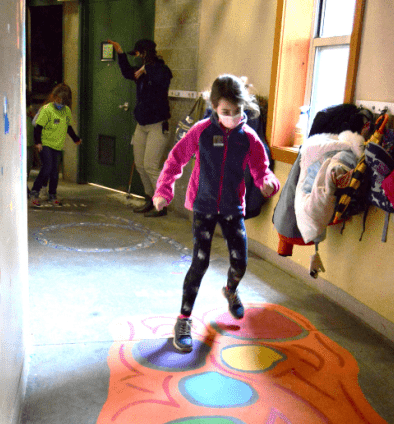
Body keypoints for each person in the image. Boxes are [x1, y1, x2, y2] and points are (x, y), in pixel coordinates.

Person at [151, 74, 280, 352]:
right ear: (213, 107)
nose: (232, 117)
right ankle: (183, 319)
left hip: (233, 207)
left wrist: (267, 182)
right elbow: (176, 160)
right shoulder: (200, 131)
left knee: (240, 262)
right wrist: (164, 190)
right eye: (225, 112)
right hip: (204, 206)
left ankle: (231, 290)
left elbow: (261, 167)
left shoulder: (249, 138)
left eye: (237, 112)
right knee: (200, 262)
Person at [108, 38, 173, 217]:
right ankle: (149, 199)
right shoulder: (142, 72)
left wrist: (147, 68)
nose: (138, 59)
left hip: (157, 125)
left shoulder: (161, 70)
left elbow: (161, 78)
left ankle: (161, 204)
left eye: (138, 54)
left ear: (145, 53)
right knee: (141, 165)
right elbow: (128, 72)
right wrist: (120, 53)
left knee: (151, 166)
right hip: (142, 124)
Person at [30, 83, 81, 207]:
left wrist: (75, 138)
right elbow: (38, 127)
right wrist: (38, 142)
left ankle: (52, 194)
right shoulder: (47, 109)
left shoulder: (66, 111)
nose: (59, 103)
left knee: (54, 172)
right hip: (45, 143)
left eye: (62, 101)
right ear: (54, 97)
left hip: (57, 145)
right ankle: (35, 192)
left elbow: (68, 127)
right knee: (47, 167)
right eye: (57, 100)